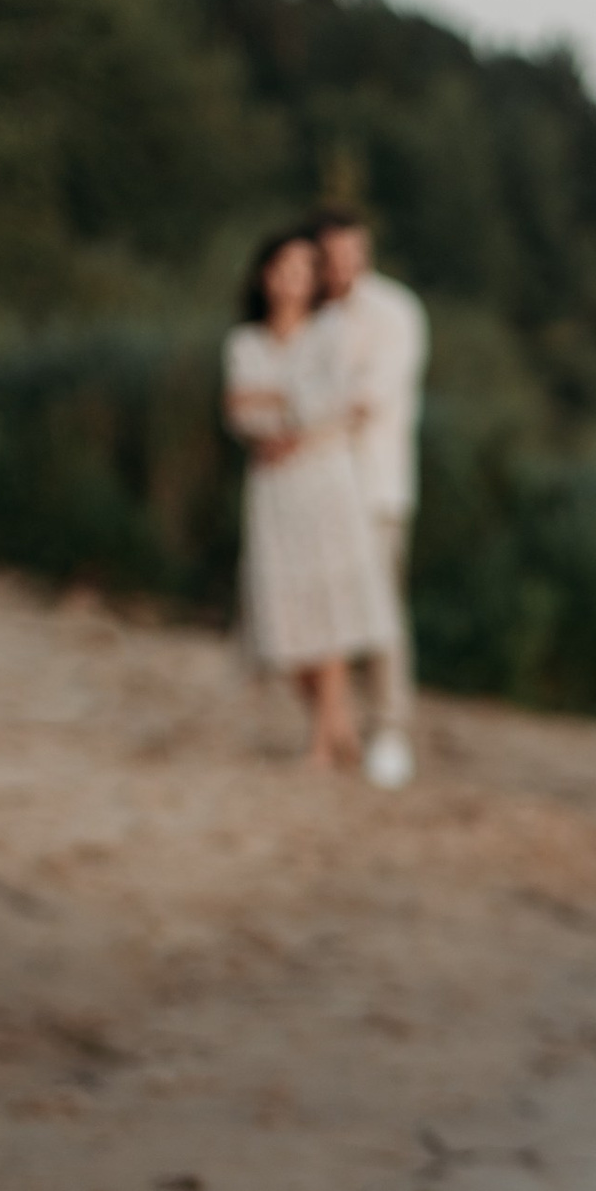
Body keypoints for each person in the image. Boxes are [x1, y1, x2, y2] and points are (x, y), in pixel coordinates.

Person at [223, 226, 398, 772]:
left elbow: (343, 403)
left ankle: (323, 743)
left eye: (304, 270)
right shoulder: (244, 342)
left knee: (329, 609)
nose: (293, 280)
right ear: (264, 275)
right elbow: (238, 412)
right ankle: (339, 725)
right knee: (285, 613)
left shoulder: (331, 332)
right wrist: (286, 410)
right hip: (275, 489)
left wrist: (278, 405)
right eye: (284, 268)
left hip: (324, 482)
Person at [312, 210, 429, 791]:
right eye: (331, 257)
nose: (342, 268)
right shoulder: (309, 311)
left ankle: (390, 730)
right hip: (313, 486)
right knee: (318, 610)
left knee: (380, 612)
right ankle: (334, 726)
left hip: (375, 486)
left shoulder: (396, 313)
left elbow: (368, 398)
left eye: (351, 255)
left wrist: (300, 417)